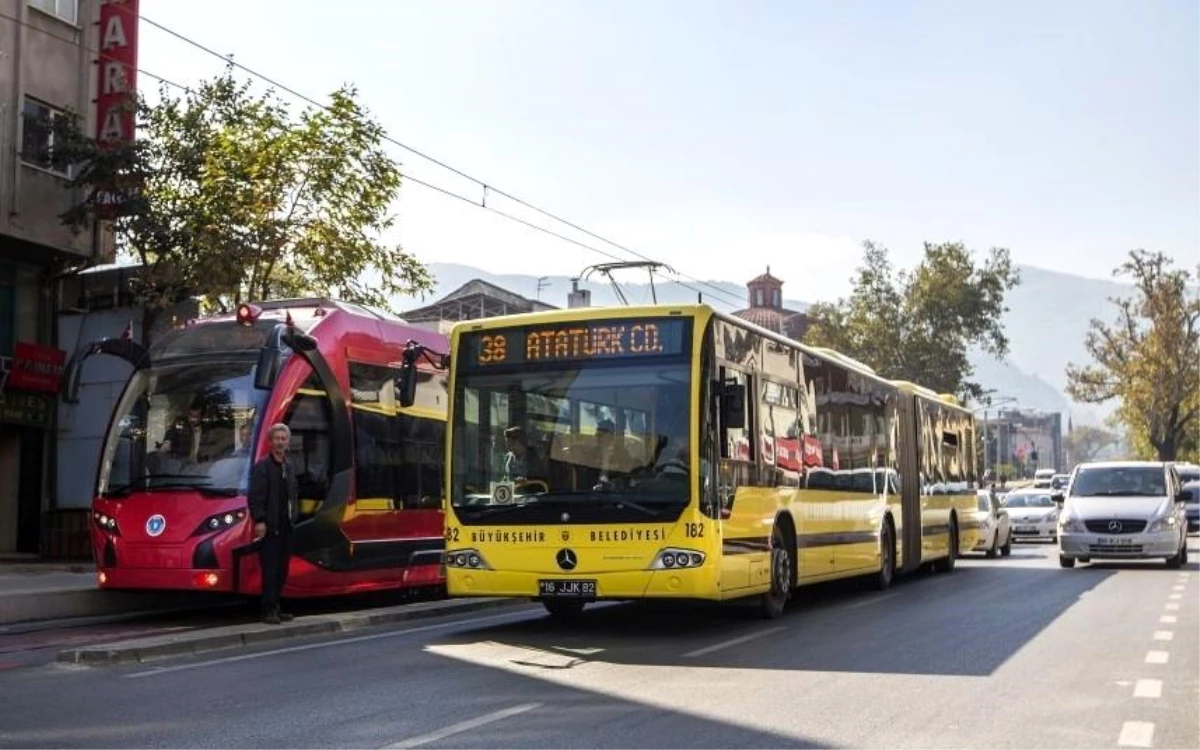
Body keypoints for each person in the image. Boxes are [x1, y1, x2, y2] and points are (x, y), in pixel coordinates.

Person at [247, 423, 299, 624]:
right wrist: (259, 520)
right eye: (276, 439)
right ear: (270, 442)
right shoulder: (263, 467)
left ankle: (276, 606)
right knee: (270, 570)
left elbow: (294, 493)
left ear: (287, 442)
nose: (280, 442)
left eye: (283, 439)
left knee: (282, 570)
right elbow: (256, 497)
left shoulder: (289, 465)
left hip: (287, 526)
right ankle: (267, 610)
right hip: (270, 526)